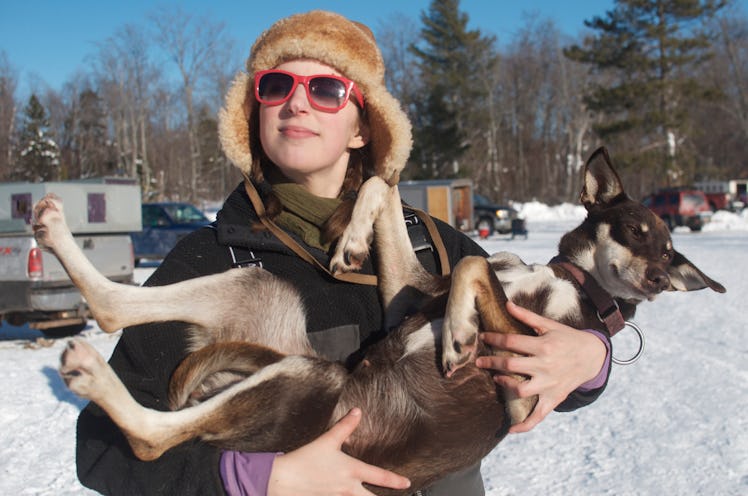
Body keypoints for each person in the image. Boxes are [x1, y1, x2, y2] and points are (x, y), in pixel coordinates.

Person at [75, 10, 610, 496]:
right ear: (254, 114)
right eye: (276, 85)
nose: (297, 102)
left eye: (327, 89)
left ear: (362, 128)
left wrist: (590, 358)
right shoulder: (208, 262)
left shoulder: (432, 246)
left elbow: (543, 370)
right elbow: (102, 452)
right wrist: (259, 479)